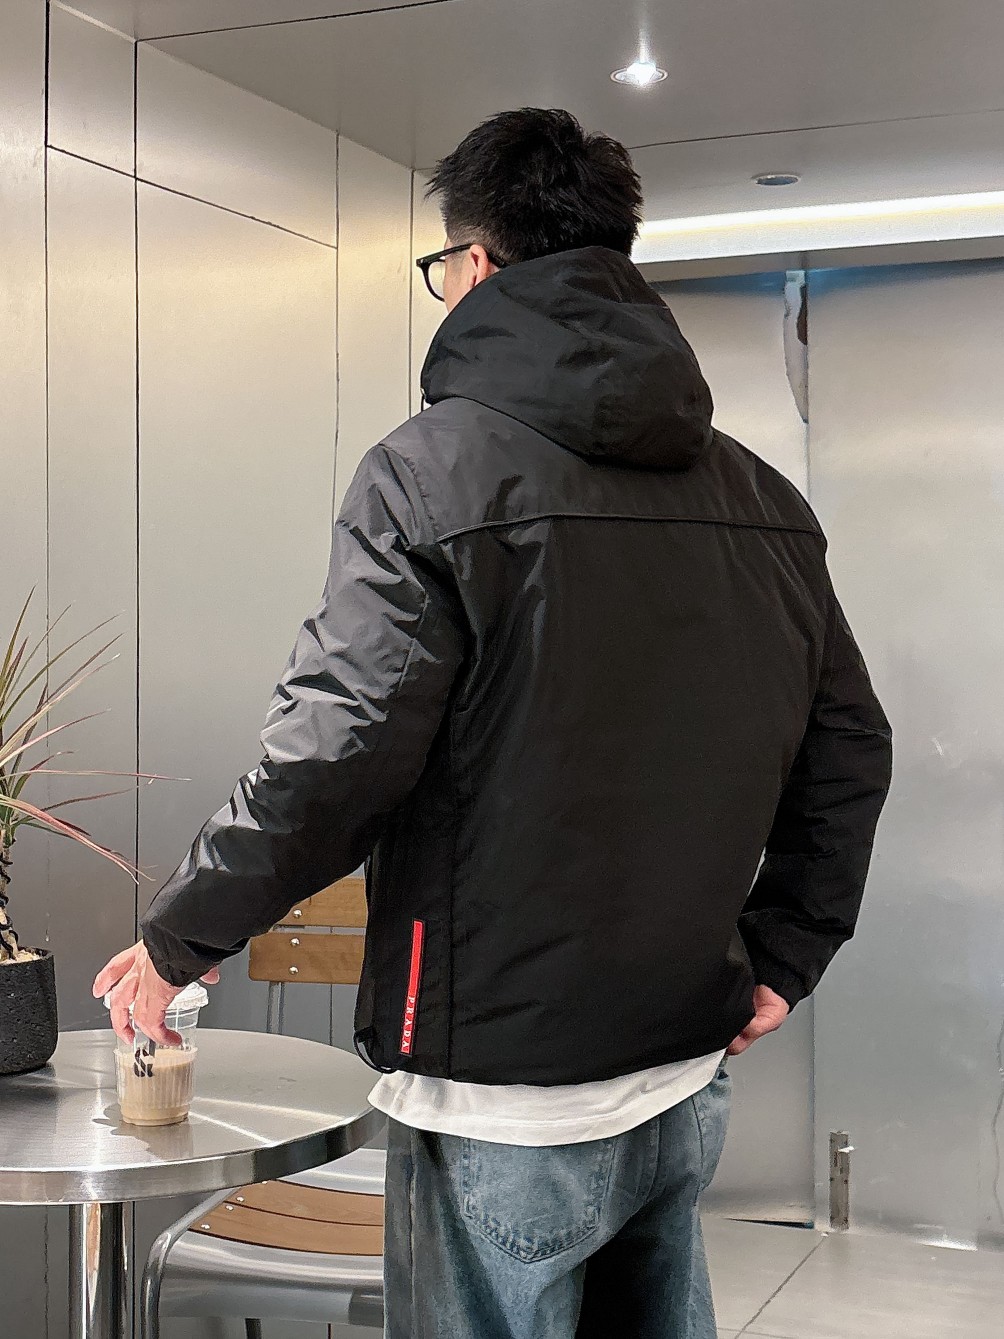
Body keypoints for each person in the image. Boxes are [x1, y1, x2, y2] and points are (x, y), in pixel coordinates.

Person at [94, 107, 892, 1338]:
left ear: (472, 264)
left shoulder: (426, 475)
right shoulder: (762, 498)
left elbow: (337, 752)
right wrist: (785, 949)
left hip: (499, 1097)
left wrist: (177, 938)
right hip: (680, 1069)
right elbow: (848, 748)